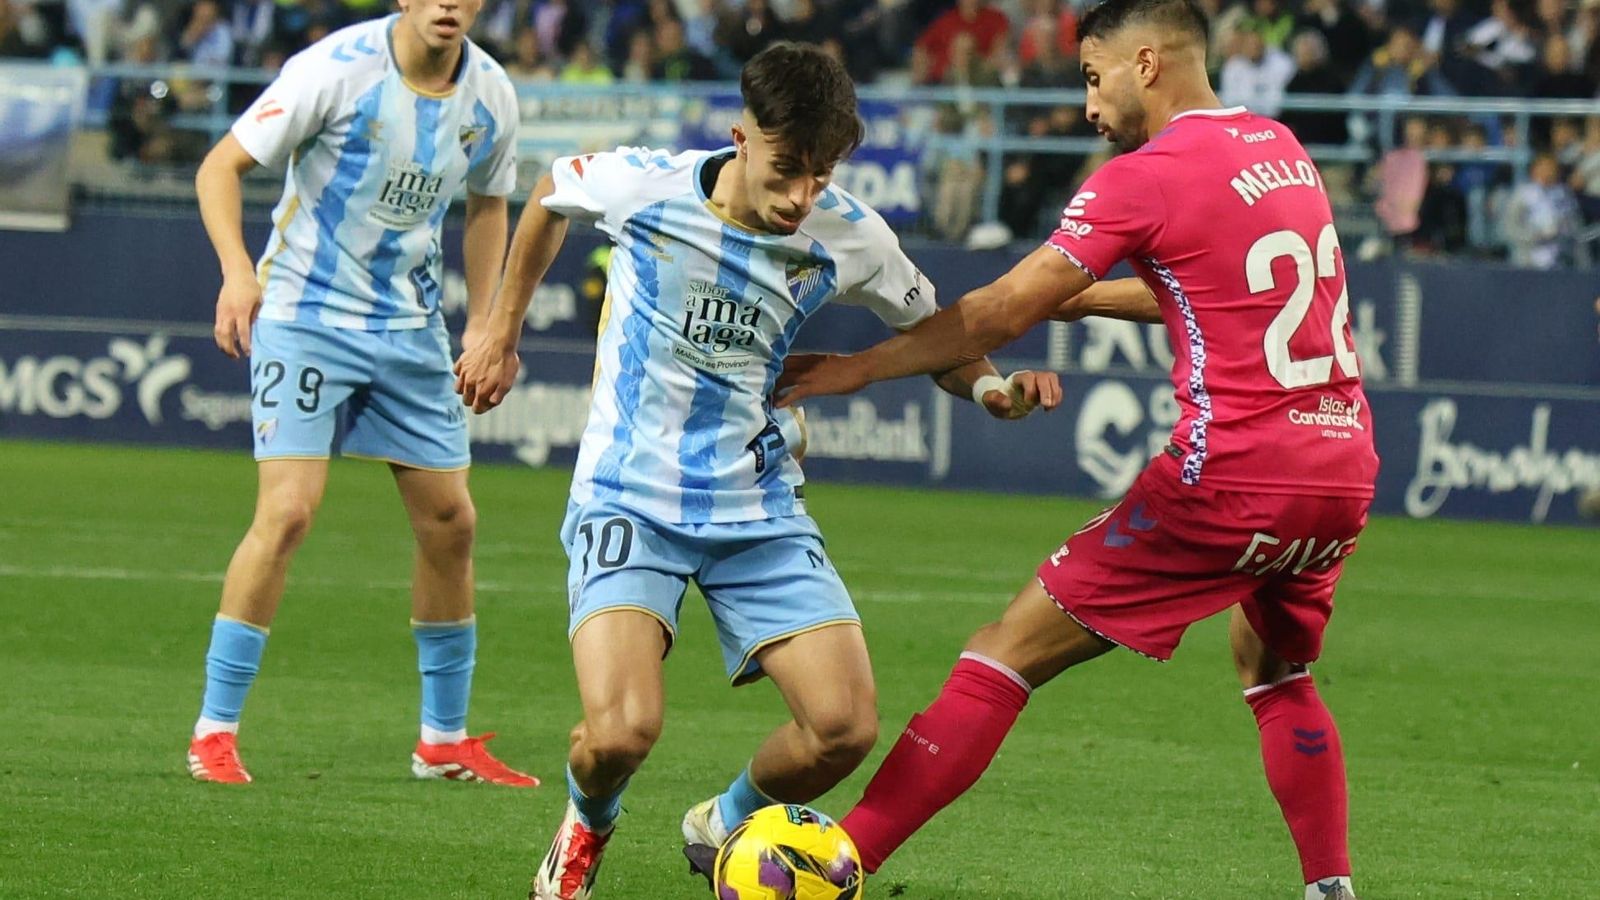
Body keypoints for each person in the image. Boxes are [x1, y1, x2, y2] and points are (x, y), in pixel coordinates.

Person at [777, 0, 1378, 897]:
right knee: (1274, 666)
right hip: (1341, 469)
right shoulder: (1279, 147)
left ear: (1147, 62)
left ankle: (831, 865)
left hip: (1236, 476)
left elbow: (998, 313)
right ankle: (1332, 888)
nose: (1090, 108)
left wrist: (863, 368)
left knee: (1003, 650)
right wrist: (1093, 298)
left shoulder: (1147, 172)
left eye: (1094, 80)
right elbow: (1224, 289)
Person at [452, 40, 1061, 900]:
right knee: (622, 733)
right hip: (631, 492)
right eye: (787, 170)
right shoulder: (647, 187)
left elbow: (942, 334)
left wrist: (993, 387)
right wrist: (499, 328)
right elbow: (551, 190)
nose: (802, 196)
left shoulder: (849, 234)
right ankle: (587, 825)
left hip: (757, 501)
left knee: (843, 729)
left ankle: (722, 821)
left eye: (820, 175)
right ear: (742, 135)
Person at [186, 0, 537, 787]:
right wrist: (239, 273)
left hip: (409, 329)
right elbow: (219, 166)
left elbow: (487, 206)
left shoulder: (491, 94)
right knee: (288, 513)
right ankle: (214, 731)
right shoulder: (333, 69)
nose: (449, 4)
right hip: (306, 315)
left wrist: (484, 325)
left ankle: (442, 741)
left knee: (452, 521)